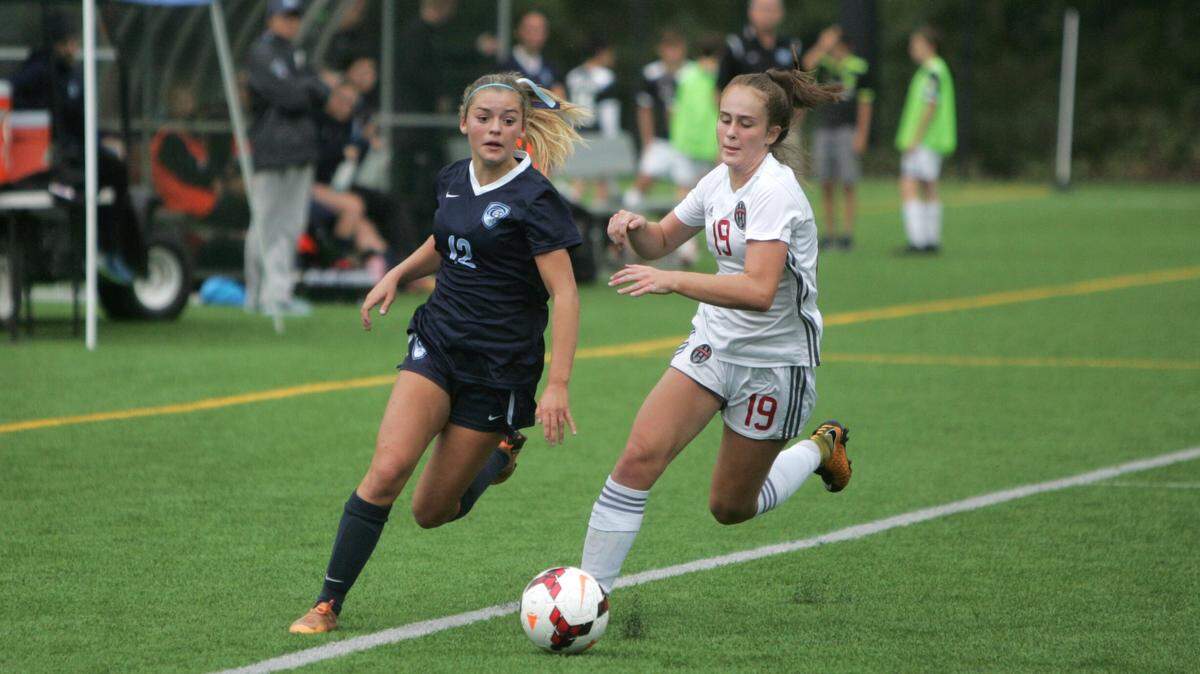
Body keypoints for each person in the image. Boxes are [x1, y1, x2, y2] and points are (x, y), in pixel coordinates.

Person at [288, 72, 591, 634]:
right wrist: (397, 275)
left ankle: (498, 455)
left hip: (498, 369)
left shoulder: (537, 200)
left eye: (507, 119)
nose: (494, 128)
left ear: (523, 128)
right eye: (483, 118)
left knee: (430, 512)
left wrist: (558, 383)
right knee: (385, 471)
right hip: (438, 343)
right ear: (463, 123)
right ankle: (327, 602)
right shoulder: (452, 178)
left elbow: (565, 293)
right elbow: (444, 242)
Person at [579, 66, 853, 595]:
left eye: (745, 123)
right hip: (713, 345)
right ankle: (590, 596)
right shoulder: (717, 179)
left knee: (730, 508)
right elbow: (660, 240)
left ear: (772, 133)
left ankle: (821, 448)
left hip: (775, 363)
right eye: (725, 119)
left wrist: (674, 280)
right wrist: (634, 227)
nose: (730, 131)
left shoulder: (776, 190)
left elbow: (758, 291)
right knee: (639, 455)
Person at [11, 12, 147, 284]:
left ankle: (110, 249)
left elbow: (79, 123)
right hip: (57, 159)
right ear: (58, 44)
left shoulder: (67, 74)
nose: (76, 49)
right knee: (109, 176)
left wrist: (102, 141)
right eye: (71, 43)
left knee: (114, 173)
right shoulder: (39, 72)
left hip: (74, 153)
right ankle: (104, 249)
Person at [244, 0, 330, 317]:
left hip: (301, 149)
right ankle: (261, 294)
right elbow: (292, 96)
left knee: (291, 224)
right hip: (272, 150)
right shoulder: (262, 52)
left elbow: (321, 90)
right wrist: (309, 86)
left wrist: (308, 86)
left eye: (295, 17)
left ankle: (276, 293)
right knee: (266, 222)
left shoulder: (295, 52)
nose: (292, 23)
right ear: (271, 19)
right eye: (286, 16)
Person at [802, 25, 875, 251]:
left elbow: (865, 103)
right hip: (825, 129)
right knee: (825, 182)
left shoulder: (859, 67)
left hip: (847, 130)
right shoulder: (825, 64)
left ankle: (847, 233)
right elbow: (806, 64)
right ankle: (829, 233)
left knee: (848, 182)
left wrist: (862, 134)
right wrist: (822, 45)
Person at [150, 84, 250, 229]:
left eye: (189, 100)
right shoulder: (169, 139)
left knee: (240, 201)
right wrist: (214, 181)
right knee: (241, 209)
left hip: (199, 194)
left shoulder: (185, 136)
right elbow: (188, 172)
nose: (188, 106)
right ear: (171, 105)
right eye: (182, 102)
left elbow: (202, 165)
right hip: (185, 197)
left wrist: (221, 179)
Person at [896, 26, 956, 253]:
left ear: (929, 46)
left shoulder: (932, 71)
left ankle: (917, 241)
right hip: (932, 141)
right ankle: (931, 240)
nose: (913, 49)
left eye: (917, 45)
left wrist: (915, 138)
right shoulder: (933, 70)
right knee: (929, 187)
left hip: (924, 141)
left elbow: (931, 104)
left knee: (909, 184)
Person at [621, 30, 690, 210]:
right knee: (644, 179)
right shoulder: (651, 74)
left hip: (685, 142)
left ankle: (683, 237)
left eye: (676, 48)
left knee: (685, 188)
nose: (673, 53)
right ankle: (624, 217)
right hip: (660, 140)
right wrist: (647, 141)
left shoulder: (692, 73)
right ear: (661, 50)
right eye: (669, 48)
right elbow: (645, 110)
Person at [717, 0, 803, 89]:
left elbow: (803, 83)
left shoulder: (791, 45)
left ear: (781, 13)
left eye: (772, 9)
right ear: (750, 12)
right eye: (763, 9)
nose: (768, 15)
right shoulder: (737, 46)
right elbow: (720, 87)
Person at [499, 10, 565, 98]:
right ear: (518, 31)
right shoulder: (505, 66)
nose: (535, 33)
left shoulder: (552, 67)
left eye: (540, 29)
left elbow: (560, 99)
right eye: (530, 28)